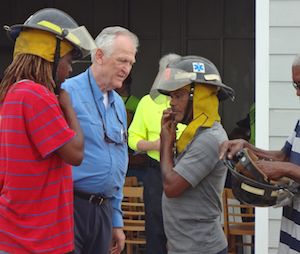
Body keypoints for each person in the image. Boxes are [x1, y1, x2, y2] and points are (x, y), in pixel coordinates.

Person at [0, 8, 95, 254]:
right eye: (68, 61)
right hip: (38, 240)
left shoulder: (13, 93)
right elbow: (76, 153)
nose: (70, 70)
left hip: (16, 233)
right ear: (49, 56)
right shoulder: (36, 95)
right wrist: (67, 105)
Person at [61, 26, 139, 254]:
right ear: (99, 56)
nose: (127, 69)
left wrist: (116, 219)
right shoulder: (67, 93)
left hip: (103, 211)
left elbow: (119, 164)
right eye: (122, 60)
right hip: (69, 207)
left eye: (131, 63)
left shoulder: (119, 107)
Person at [150, 55, 235, 254]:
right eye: (170, 96)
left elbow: (171, 187)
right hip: (185, 246)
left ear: (199, 98)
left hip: (200, 248)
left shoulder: (209, 139)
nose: (171, 102)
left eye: (178, 95)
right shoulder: (194, 135)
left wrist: (165, 141)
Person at [219, 55, 300, 254]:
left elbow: (284, 164)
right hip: (292, 228)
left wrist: (284, 169)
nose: (297, 93)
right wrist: (248, 147)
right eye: (295, 85)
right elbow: (283, 156)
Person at [128, 53, 185, 254]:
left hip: (186, 172)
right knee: (155, 228)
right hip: (156, 174)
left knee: (184, 228)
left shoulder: (191, 102)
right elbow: (132, 138)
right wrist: (154, 144)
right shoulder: (147, 102)